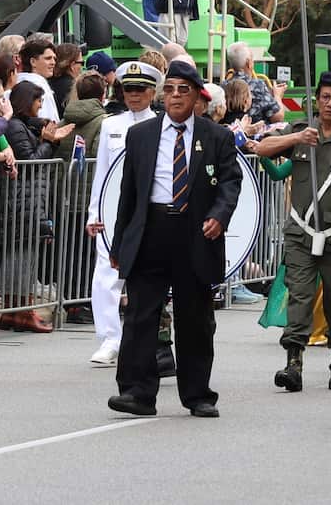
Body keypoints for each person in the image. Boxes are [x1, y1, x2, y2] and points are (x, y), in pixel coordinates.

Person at [106, 61, 242, 417]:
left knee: (195, 317)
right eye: (170, 89)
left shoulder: (217, 137)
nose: (176, 96)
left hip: (195, 231)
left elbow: (231, 182)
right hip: (152, 229)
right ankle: (138, 392)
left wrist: (219, 215)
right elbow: (128, 195)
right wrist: (120, 244)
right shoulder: (142, 135)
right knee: (140, 314)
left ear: (198, 97)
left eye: (184, 90)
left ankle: (197, 394)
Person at [252, 71, 331, 393]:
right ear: (317, 99)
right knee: (300, 296)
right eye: (325, 97)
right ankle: (293, 362)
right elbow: (263, 148)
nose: (329, 103)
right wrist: (295, 140)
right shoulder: (300, 131)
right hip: (300, 231)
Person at [85, 61, 162, 365]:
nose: (133, 95)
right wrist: (94, 212)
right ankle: (110, 338)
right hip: (114, 210)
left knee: (148, 276)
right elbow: (101, 173)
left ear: (152, 91)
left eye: (140, 89)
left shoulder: (162, 123)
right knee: (106, 274)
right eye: (128, 89)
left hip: (149, 211)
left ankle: (149, 339)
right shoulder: (110, 125)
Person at [0, 81, 73, 332]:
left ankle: (16, 310)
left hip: (26, 200)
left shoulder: (20, 125)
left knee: (22, 255)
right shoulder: (15, 127)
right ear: (26, 101)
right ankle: (21, 311)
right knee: (22, 256)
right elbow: (30, 160)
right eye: (38, 100)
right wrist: (50, 143)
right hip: (22, 201)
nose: (41, 105)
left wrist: (46, 134)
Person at [223, 42, 283, 125]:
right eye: (252, 59)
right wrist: (277, 96)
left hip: (229, 132)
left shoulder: (223, 86)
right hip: (256, 134)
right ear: (248, 63)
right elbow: (277, 117)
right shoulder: (258, 85)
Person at [56, 71, 108, 159]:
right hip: (91, 172)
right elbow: (98, 155)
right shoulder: (104, 123)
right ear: (103, 95)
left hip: (63, 172)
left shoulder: (61, 124)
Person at [17, 38, 60, 123]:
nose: (53, 62)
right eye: (48, 58)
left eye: (54, 59)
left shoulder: (14, 83)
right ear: (33, 62)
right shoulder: (40, 86)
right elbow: (49, 123)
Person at [49, 42, 83, 115]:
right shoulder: (73, 86)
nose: (82, 67)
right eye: (81, 63)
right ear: (72, 65)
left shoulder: (48, 82)